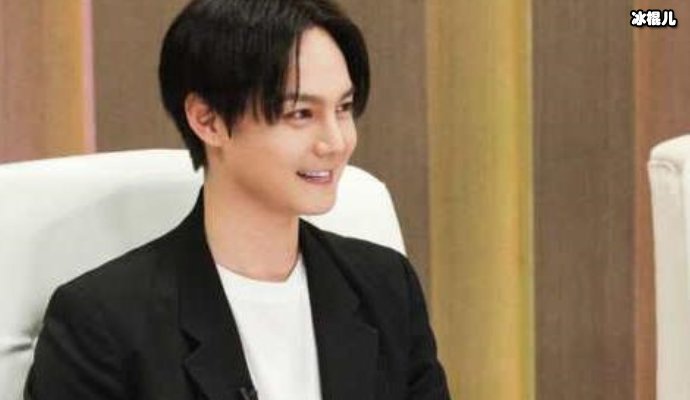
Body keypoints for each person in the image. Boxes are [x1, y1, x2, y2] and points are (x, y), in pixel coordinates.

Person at [24, 0, 450, 399]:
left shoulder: (386, 287)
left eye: (343, 108)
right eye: (301, 114)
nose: (336, 142)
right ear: (207, 120)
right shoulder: (102, 322)